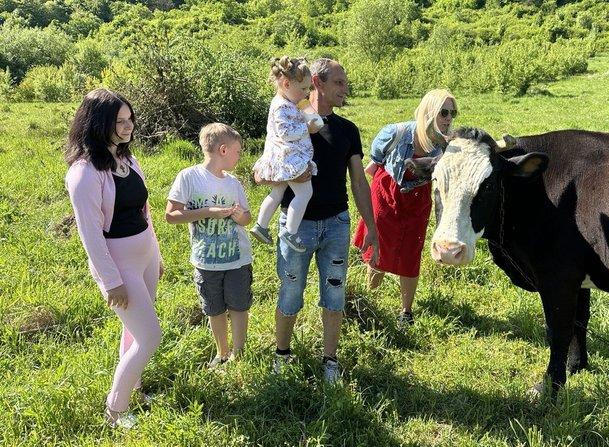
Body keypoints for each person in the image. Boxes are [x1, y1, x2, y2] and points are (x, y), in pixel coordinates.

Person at [254, 58, 379, 383]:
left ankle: (330, 361)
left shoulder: (348, 130)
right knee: (291, 291)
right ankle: (282, 354)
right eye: (339, 82)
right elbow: (269, 157)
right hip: (297, 225)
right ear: (317, 82)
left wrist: (372, 226)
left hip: (337, 224)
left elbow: (358, 182)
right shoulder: (288, 118)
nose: (345, 89)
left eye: (345, 82)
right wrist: (263, 173)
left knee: (334, 294)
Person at [64, 88, 163, 429]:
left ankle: (133, 386)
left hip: (145, 254)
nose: (127, 127)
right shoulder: (84, 173)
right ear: (98, 124)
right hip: (119, 264)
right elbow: (90, 235)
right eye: (119, 122)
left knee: (134, 332)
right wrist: (112, 281)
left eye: (129, 119)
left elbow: (144, 211)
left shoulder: (126, 158)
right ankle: (115, 410)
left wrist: (157, 254)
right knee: (151, 337)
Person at [353, 89, 457, 328]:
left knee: (411, 252)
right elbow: (372, 168)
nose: (449, 118)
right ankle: (371, 301)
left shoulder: (446, 146)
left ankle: (406, 312)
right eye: (443, 112)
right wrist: (366, 204)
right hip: (386, 195)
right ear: (429, 111)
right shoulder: (396, 133)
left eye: (452, 113)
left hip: (418, 201)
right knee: (379, 249)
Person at [165, 123, 253, 368]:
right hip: (206, 260)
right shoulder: (189, 177)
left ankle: (239, 353)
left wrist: (239, 216)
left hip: (237, 259)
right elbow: (171, 215)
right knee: (214, 308)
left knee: (239, 305)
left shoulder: (234, 183)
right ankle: (222, 352)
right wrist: (208, 212)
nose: (240, 156)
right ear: (223, 150)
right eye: (238, 151)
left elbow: (247, 218)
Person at [250, 56, 324, 253]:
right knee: (304, 193)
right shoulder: (282, 106)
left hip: (281, 157)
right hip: (289, 158)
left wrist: (306, 108)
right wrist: (306, 127)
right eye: (303, 89)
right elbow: (286, 132)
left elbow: (317, 121)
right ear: (286, 83)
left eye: (308, 89)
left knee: (277, 192)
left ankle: (261, 225)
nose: (306, 93)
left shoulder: (287, 102)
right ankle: (290, 232)